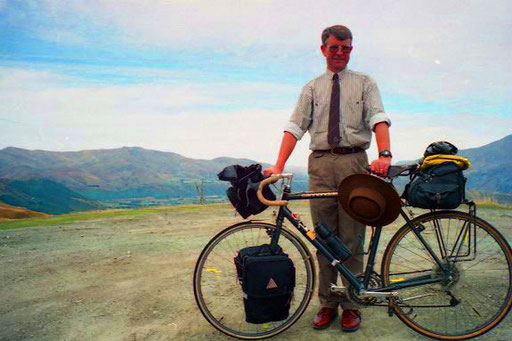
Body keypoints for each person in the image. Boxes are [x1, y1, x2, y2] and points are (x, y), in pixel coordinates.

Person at [263, 25, 392, 332]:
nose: (340, 53)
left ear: (351, 49)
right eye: (334, 47)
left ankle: (350, 304)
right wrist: (278, 165)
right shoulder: (311, 88)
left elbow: (378, 119)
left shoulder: (365, 83)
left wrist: (384, 154)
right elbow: (295, 127)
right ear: (323, 49)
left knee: (352, 237)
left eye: (346, 48)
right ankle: (326, 303)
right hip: (320, 164)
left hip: (354, 163)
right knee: (323, 238)